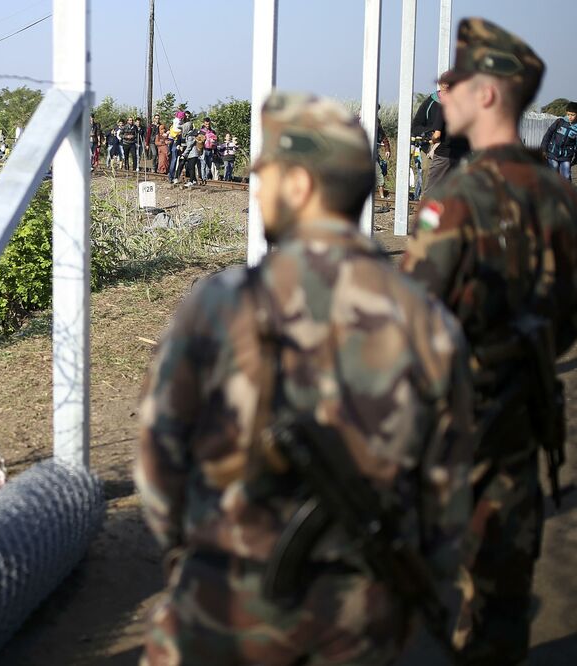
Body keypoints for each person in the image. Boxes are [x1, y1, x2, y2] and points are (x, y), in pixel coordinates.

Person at [136, 91, 472, 666]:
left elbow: (158, 462)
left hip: (221, 609)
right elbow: (447, 492)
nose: (256, 190)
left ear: (299, 186)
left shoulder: (219, 304)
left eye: (263, 176)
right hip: (359, 618)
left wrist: (189, 555)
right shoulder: (428, 321)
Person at [400, 18, 577, 664]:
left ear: (489, 93)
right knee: (504, 596)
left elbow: (409, 318)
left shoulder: (457, 200)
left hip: (454, 425)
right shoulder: (561, 196)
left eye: (455, 79)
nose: (442, 89)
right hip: (524, 416)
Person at [411, 74, 472, 196]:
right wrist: (428, 134)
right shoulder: (431, 102)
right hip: (431, 147)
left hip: (449, 150)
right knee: (428, 171)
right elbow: (416, 126)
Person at [540, 101, 577, 182]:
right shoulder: (559, 122)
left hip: (566, 157)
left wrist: (575, 159)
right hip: (552, 154)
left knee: (566, 176)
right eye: (568, 114)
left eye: (573, 115)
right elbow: (548, 135)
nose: (570, 117)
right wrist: (543, 149)